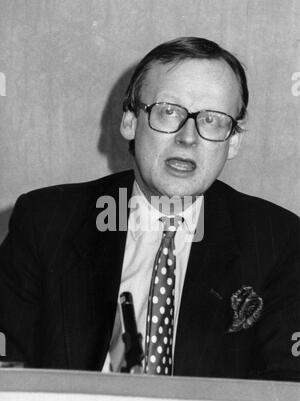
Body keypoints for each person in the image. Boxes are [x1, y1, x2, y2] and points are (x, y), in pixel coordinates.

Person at [0, 37, 299, 381]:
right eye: (168, 111)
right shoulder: (47, 222)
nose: (189, 138)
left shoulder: (279, 241)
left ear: (233, 142)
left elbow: (288, 387)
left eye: (213, 120)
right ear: (130, 121)